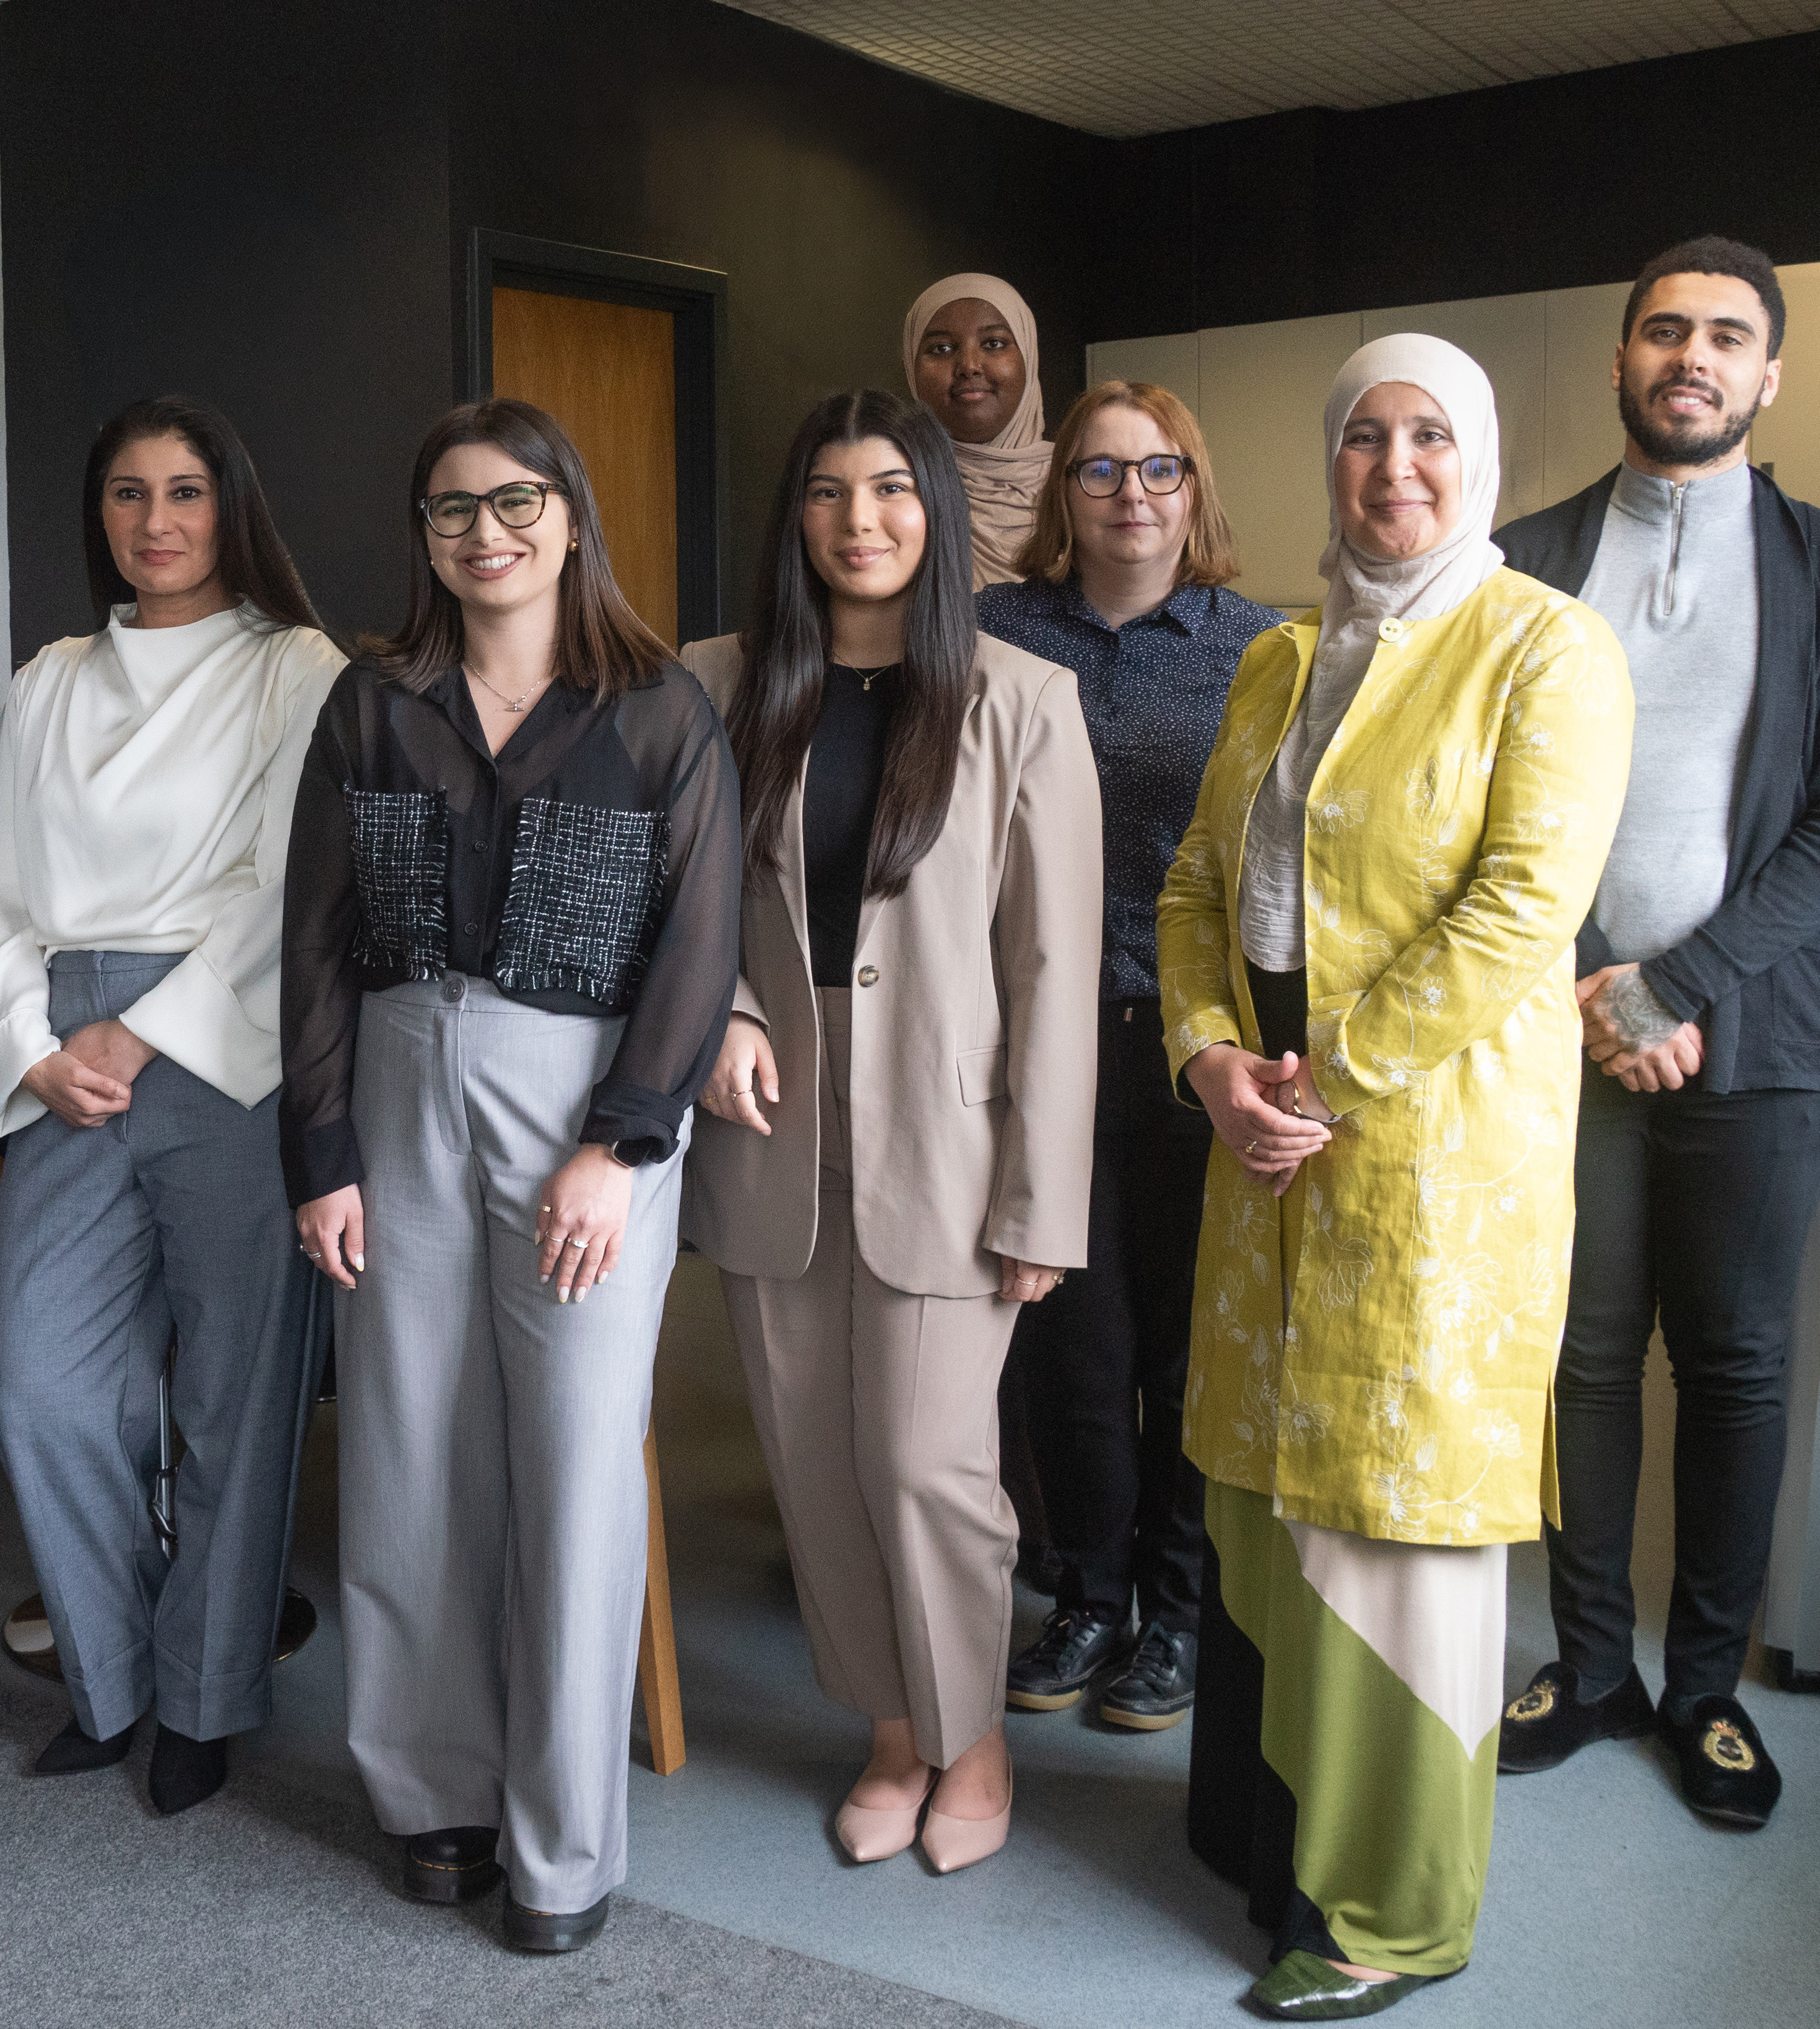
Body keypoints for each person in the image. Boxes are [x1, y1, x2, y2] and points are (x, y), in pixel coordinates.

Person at [1159, 334, 1631, 2019]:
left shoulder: (1543, 648)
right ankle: (1275, 1835)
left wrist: (1324, 1074)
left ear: (1478, 454)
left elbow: (1519, 910)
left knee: (1399, 1538)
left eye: (1431, 433)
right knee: (1270, 1505)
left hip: (1431, 1166)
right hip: (1264, 1149)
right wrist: (1214, 1057)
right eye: (1364, 435)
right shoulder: (1280, 659)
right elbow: (1196, 889)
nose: (1394, 466)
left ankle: (1392, 1911)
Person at [281, 398, 740, 1955]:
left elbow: (697, 945)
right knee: (408, 1454)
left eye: (513, 500)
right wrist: (324, 1156)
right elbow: (318, 943)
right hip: (400, 1083)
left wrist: (619, 1147)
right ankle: (430, 1795)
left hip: (586, 1105)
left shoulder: (660, 710)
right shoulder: (370, 703)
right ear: (423, 536)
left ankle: (560, 1842)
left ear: (568, 510)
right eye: (449, 509)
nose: (484, 532)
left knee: (573, 1468)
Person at [1493, 236, 1820, 1827]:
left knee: (1733, 1364)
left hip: (1766, 1034)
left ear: (1771, 375)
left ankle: (1703, 1687)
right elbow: (1491, 811)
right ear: (1619, 359)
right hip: (1556, 1031)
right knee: (1583, 1354)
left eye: (1727, 336)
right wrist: (1601, 983)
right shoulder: (1522, 557)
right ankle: (1590, 1664)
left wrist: (1677, 985)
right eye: (1663, 329)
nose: (1692, 356)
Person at [683, 388, 1100, 1873]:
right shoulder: (714, 683)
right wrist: (723, 1005)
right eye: (825, 492)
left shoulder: (1019, 699)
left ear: (935, 511)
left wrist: (1044, 1202)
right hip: (773, 1125)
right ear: (792, 517)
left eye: (889, 492)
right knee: (813, 1454)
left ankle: (969, 1737)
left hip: (948, 1132)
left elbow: (1052, 967)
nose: (858, 521)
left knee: (928, 1462)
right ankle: (884, 1727)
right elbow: (675, 904)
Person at [0, 397, 340, 1815]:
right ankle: (113, 1672)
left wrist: (142, 1025)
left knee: (232, 1395)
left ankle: (203, 1699)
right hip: (65, 1056)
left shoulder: (291, 667)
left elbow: (290, 880)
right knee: (39, 1377)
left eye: (185, 491)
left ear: (228, 504)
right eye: (127, 494)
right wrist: (34, 1039)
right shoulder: (51, 678)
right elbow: (1, 899)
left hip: (227, 1042)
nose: (156, 521)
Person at [979, 382, 1279, 1733]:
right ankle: (1086, 1594)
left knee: (1182, 1345)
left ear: (1192, 485)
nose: (1130, 495)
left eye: (1158, 469)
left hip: (1191, 1045)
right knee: (1067, 1341)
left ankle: (1176, 1610)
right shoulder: (992, 630)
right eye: (1098, 472)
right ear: (1062, 494)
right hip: (1031, 1040)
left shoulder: (1256, 645)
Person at [904, 272, 1053, 589]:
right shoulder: (893, 489)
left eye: (994, 344)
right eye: (942, 348)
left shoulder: (1087, 485)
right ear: (911, 367)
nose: (969, 365)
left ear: (1029, 356)